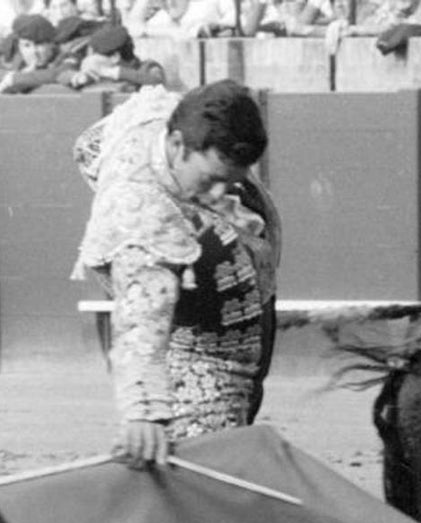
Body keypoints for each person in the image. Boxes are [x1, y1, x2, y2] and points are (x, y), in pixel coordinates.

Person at [71, 79, 277, 469]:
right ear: (177, 145)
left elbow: (87, 145)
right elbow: (142, 313)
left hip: (238, 305)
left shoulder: (169, 119)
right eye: (209, 179)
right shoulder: (139, 208)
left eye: (229, 182)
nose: (221, 196)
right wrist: (144, 410)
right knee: (207, 465)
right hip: (195, 345)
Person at [60, 22, 167, 91]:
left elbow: (155, 79)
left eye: (95, 55)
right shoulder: (92, 74)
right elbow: (60, 75)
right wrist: (76, 78)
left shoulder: (147, 67)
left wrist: (111, 72)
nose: (89, 59)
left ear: (114, 57)